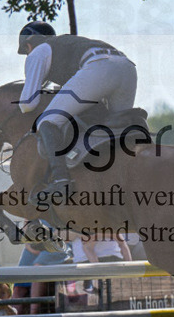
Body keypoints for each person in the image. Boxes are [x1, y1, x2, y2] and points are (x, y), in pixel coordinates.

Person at [16, 21, 138, 198]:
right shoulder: (67, 45)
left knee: (47, 121)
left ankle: (60, 181)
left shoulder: (38, 51)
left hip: (99, 67)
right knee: (117, 126)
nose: (28, 54)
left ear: (28, 44)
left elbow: (28, 104)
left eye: (26, 50)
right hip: (127, 67)